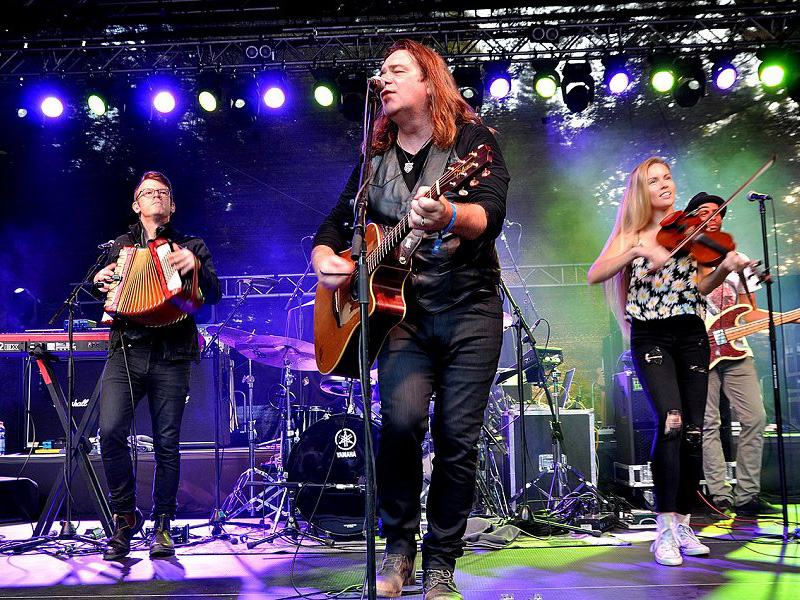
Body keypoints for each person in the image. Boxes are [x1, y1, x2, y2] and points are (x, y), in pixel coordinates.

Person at [312, 39, 509, 600]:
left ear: (429, 83)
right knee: (398, 425)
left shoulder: (473, 143)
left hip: (470, 307)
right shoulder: (374, 161)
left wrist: (448, 213)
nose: (384, 77)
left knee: (457, 439)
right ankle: (399, 548)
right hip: (404, 318)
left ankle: (442, 562)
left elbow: (489, 214)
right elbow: (333, 226)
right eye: (382, 71)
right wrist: (330, 263)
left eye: (397, 70)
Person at [588, 158, 748, 566]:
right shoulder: (634, 233)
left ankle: (683, 522)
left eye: (668, 178)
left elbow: (701, 288)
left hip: (692, 333)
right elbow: (595, 273)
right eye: (654, 180)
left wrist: (725, 268)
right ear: (641, 190)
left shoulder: (690, 230)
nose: (664, 185)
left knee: (695, 430)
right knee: (672, 421)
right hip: (652, 335)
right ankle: (662, 529)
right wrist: (638, 250)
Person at [93, 171, 222, 560]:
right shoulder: (120, 246)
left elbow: (213, 293)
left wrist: (192, 268)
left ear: (172, 205)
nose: (156, 197)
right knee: (111, 431)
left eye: (163, 193)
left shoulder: (191, 245)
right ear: (136, 205)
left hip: (172, 352)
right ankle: (124, 517)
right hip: (125, 349)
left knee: (167, 442)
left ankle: (163, 524)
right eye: (148, 193)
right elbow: (100, 285)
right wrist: (100, 278)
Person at [687, 192, 788, 519]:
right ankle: (720, 495)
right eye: (703, 212)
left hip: (734, 349)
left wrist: (787, 315)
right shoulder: (685, 257)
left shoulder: (737, 259)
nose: (712, 217)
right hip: (700, 349)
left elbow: (750, 313)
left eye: (717, 213)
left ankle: (747, 495)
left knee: (756, 417)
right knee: (709, 423)